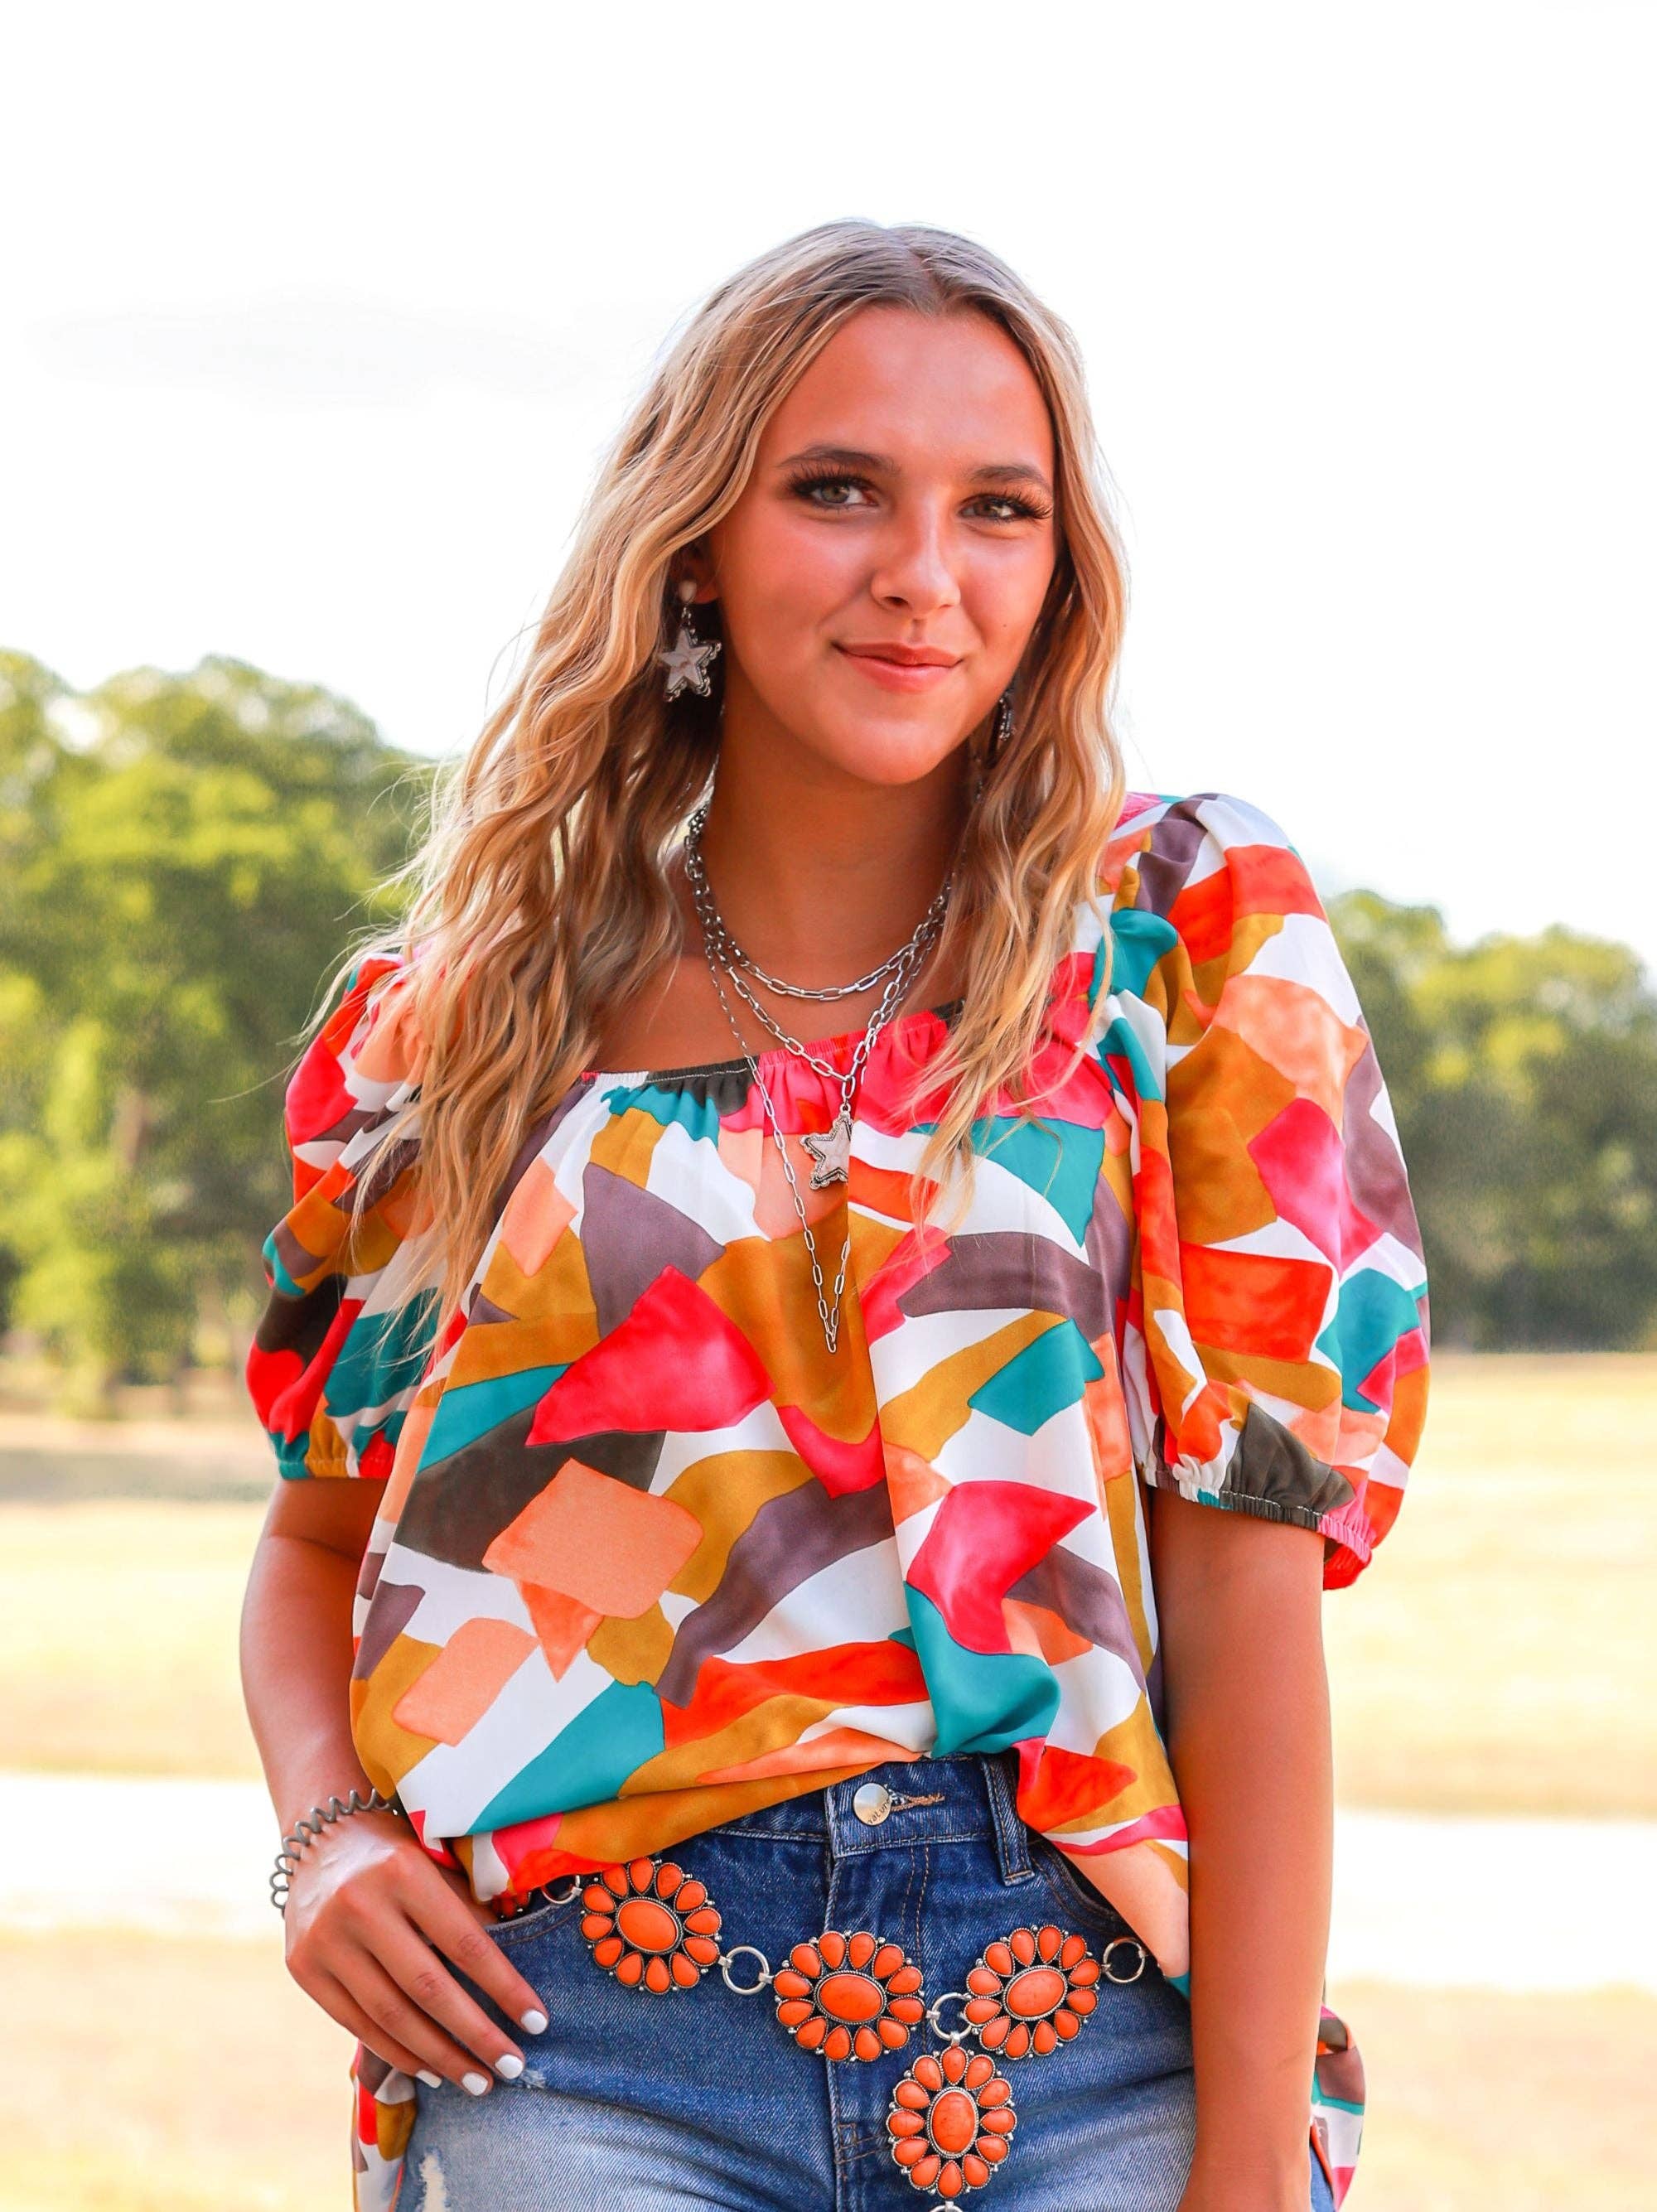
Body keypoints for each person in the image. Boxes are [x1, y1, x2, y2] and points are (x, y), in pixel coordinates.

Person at [239, 219, 1430, 2212]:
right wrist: (323, 1838)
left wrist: (1243, 2164)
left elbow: (1249, 1600)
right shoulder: (459, 1028)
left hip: (1095, 2033)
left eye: (997, 509)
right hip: (583, 2043)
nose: (922, 573)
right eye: (838, 491)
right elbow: (312, 1548)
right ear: (697, 540)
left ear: (1057, 570)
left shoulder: (1177, 941)